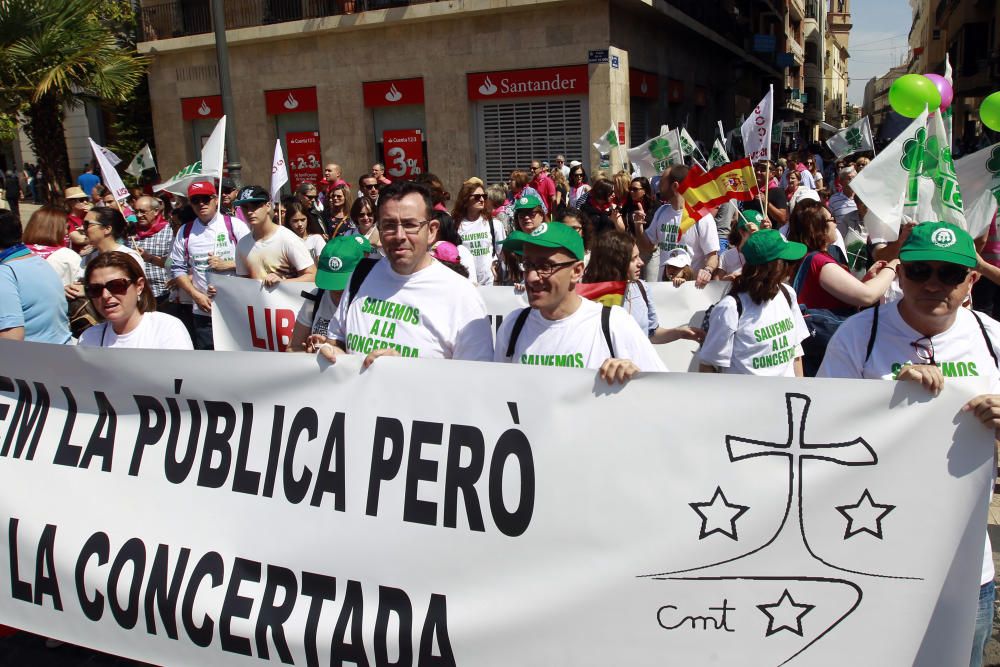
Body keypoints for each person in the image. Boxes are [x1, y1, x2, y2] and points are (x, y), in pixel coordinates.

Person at [817, 221, 1000, 667]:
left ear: (971, 280)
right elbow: (822, 435)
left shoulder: (993, 338)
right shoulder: (859, 337)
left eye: (950, 274)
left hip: (965, 563)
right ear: (899, 275)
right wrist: (888, 404)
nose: (934, 284)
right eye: (920, 271)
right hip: (871, 553)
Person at [319, 181, 493, 366]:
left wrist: (405, 372)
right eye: (389, 225)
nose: (399, 235)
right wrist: (332, 353)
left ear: (432, 231)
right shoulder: (360, 275)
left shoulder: (462, 295)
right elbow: (337, 340)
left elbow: (476, 382)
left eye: (410, 225)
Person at [495, 221, 666, 382]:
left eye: (546, 267)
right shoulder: (513, 326)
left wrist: (636, 377)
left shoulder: (614, 324)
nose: (532, 277)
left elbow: (665, 393)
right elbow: (496, 396)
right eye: (528, 264)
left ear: (576, 271)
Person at [699, 229, 809, 376]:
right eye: (787, 261)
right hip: (746, 398)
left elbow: (795, 353)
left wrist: (800, 391)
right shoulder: (730, 308)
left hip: (786, 398)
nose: (792, 265)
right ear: (775, 267)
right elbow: (708, 366)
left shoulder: (787, 293)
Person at [168, 179, 250, 350]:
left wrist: (228, 265)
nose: (201, 204)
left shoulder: (234, 225)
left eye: (206, 199)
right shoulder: (185, 231)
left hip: (236, 307)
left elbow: (255, 260)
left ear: (215, 199)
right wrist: (195, 295)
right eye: (195, 200)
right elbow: (177, 268)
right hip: (204, 312)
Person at [583, 231, 704, 345]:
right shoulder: (589, 299)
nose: (641, 263)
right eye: (633, 259)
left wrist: (679, 333)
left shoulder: (642, 288)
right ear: (616, 262)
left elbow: (652, 334)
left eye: (639, 256)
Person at [786, 200, 894, 312]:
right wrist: (893, 265)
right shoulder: (819, 262)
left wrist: (866, 279)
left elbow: (846, 299)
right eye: (831, 219)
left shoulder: (814, 257)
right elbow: (868, 296)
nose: (835, 224)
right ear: (818, 227)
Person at [78, 252, 192, 349]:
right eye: (95, 289)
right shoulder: (89, 338)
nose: (105, 295)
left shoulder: (167, 328)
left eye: (116, 286)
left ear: (139, 286)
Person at [638, 165, 720, 286]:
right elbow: (647, 246)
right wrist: (638, 225)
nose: (658, 185)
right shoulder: (661, 212)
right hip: (665, 288)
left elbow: (712, 256)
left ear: (675, 186)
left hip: (690, 291)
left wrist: (707, 270)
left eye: (662, 181)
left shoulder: (701, 217)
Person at [288, 235, 372, 352]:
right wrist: (311, 353)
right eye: (331, 282)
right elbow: (293, 348)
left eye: (343, 283)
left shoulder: (372, 302)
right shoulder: (316, 297)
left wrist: (333, 349)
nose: (336, 290)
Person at [0, 210, 71, 343]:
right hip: (58, 354)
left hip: (33, 359)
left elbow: (11, 339)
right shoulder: (38, 261)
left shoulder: (4, 274)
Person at [233, 185, 316, 287]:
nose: (250, 212)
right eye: (245, 207)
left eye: (255, 205)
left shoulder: (287, 238)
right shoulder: (242, 244)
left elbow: (312, 276)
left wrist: (282, 283)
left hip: (288, 302)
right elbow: (243, 284)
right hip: (257, 302)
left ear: (268, 206)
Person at [452, 180, 505, 286]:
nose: (481, 199)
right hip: (466, 284)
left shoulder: (494, 224)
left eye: (484, 196)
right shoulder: (455, 225)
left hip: (491, 284)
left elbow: (502, 256)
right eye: (477, 196)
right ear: (466, 200)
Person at [22, 206, 83, 286]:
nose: (67, 232)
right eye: (67, 227)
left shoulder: (14, 253)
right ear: (58, 230)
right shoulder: (69, 257)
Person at [132, 195, 175, 308]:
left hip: (164, 294)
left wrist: (149, 258)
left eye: (142, 211)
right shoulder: (131, 232)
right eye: (136, 211)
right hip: (139, 294)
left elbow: (173, 263)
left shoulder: (169, 231)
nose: (138, 215)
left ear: (156, 211)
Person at [79, 207, 144, 268]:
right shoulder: (87, 260)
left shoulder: (130, 258)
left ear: (107, 229)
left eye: (87, 224)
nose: (82, 228)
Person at [717, 210, 762, 279]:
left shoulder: (766, 255)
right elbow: (716, 282)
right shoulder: (726, 256)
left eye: (762, 232)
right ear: (742, 232)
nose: (760, 236)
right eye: (754, 232)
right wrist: (725, 280)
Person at [743, 161, 788, 228]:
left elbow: (783, 218)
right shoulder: (751, 191)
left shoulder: (778, 191)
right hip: (752, 236)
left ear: (772, 174)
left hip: (769, 235)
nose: (758, 172)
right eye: (757, 169)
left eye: (763, 169)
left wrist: (765, 202)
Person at [64, 186, 92, 251]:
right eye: (81, 200)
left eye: (86, 199)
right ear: (71, 203)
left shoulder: (91, 214)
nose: (85, 202)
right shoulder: (68, 220)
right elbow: (79, 239)